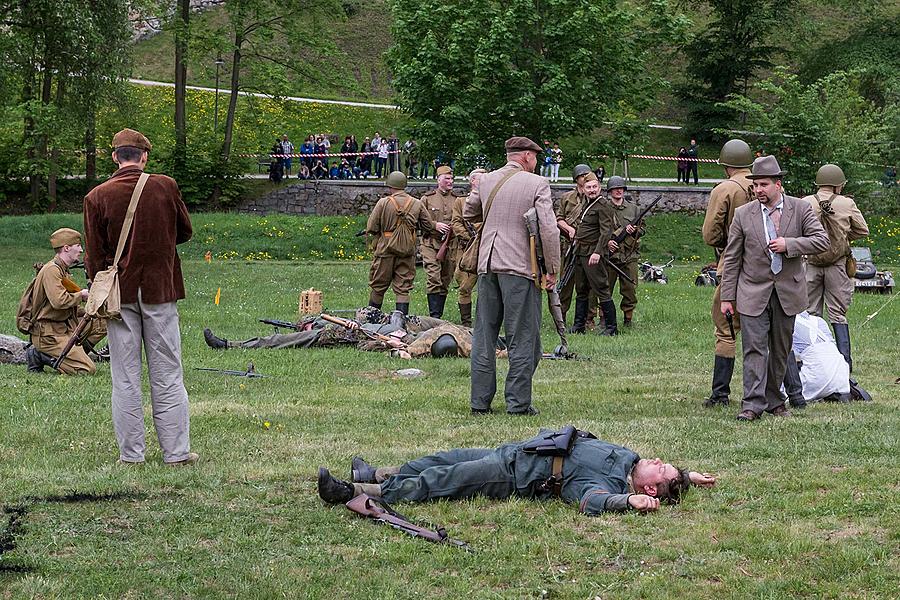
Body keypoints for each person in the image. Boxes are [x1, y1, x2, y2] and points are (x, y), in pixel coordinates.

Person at [83, 128, 197, 466]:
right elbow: (185, 231)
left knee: (125, 377)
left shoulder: (97, 197)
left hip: (119, 296)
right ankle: (176, 452)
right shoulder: (165, 186)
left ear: (115, 156)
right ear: (144, 156)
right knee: (168, 374)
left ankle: (131, 455)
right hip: (160, 291)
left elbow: (94, 256)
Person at [317, 427, 717, 515]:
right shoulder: (630, 461)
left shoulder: (608, 485)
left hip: (513, 475)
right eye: (662, 461)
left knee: (443, 480)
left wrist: (626, 502)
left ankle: (353, 491)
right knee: (438, 460)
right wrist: (687, 475)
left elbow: (593, 502)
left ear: (649, 491)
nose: (656, 461)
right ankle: (377, 473)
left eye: (661, 470)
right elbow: (668, 475)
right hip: (514, 451)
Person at [719, 155, 829, 421]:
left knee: (780, 350)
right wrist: (727, 296)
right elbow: (732, 257)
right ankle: (751, 404)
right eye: (755, 185)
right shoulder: (743, 215)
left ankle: (774, 400)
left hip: (787, 293)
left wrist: (790, 245)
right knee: (754, 349)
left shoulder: (800, 209)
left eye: (764, 185)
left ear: (778, 184)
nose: (758, 190)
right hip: (752, 292)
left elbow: (821, 240)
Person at [463, 136, 560, 416]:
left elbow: (469, 211)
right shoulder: (537, 183)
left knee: (484, 336)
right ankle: (518, 404)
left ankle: (479, 403)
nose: (536, 162)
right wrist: (552, 268)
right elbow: (549, 230)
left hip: (487, 264)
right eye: (535, 157)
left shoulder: (486, 180)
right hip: (520, 266)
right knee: (523, 337)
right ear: (527, 156)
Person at [803, 164, 869, 389]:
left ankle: (810, 365)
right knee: (838, 315)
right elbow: (862, 230)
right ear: (838, 184)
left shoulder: (805, 202)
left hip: (810, 264)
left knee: (810, 315)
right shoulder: (847, 203)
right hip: (837, 266)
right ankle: (845, 368)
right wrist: (842, 236)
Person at [701, 139, 754, 408]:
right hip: (764, 268)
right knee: (762, 331)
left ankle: (720, 394)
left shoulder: (725, 189)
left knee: (725, 329)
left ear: (726, 165)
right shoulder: (763, 185)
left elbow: (710, 234)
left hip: (733, 265)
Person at [24, 228, 107, 375]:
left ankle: (77, 353)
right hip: (49, 334)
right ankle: (40, 355)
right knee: (87, 370)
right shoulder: (52, 271)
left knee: (103, 322)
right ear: (66, 248)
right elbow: (59, 302)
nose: (81, 250)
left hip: (63, 326)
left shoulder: (63, 270)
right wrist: (81, 295)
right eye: (78, 246)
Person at [365, 171, 436, 314]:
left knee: (378, 286)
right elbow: (428, 226)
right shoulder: (417, 203)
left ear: (390, 186)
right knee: (403, 288)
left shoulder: (383, 203)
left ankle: (371, 321)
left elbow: (371, 227)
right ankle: (400, 324)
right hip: (407, 250)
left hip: (385, 249)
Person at [572, 174, 618, 335]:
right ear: (583, 189)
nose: (591, 190)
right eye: (588, 187)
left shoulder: (603, 205)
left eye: (594, 187)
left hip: (593, 252)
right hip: (581, 251)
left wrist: (597, 252)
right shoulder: (587, 204)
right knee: (581, 289)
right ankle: (579, 326)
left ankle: (611, 328)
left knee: (601, 287)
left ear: (599, 188)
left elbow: (606, 232)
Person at [555, 164, 592, 324]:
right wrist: (569, 229)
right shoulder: (567, 198)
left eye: (588, 175)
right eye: (583, 176)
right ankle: (561, 316)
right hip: (569, 246)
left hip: (588, 246)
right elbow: (558, 219)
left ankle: (589, 318)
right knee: (566, 282)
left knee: (589, 284)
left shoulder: (595, 197)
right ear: (576, 179)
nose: (585, 178)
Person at [605, 177, 644, 326]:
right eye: (615, 188)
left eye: (621, 188)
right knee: (605, 288)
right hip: (610, 255)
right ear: (610, 191)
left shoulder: (634, 209)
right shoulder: (604, 208)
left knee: (630, 288)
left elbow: (643, 229)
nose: (619, 190)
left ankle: (628, 319)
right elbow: (598, 229)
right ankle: (605, 319)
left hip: (629, 255)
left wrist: (634, 231)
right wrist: (608, 242)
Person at [450, 168, 486, 326]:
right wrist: (469, 237)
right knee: (465, 286)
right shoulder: (461, 201)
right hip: (467, 249)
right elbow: (456, 223)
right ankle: (466, 323)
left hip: (486, 247)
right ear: (472, 181)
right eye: (481, 179)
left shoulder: (490, 199)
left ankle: (486, 320)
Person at [419, 165, 457, 318]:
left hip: (450, 245)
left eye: (451, 178)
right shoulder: (427, 198)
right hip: (431, 243)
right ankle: (434, 316)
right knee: (434, 277)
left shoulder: (457, 199)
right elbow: (419, 220)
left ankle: (438, 317)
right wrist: (435, 225)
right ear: (439, 180)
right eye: (447, 178)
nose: (450, 181)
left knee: (445, 279)